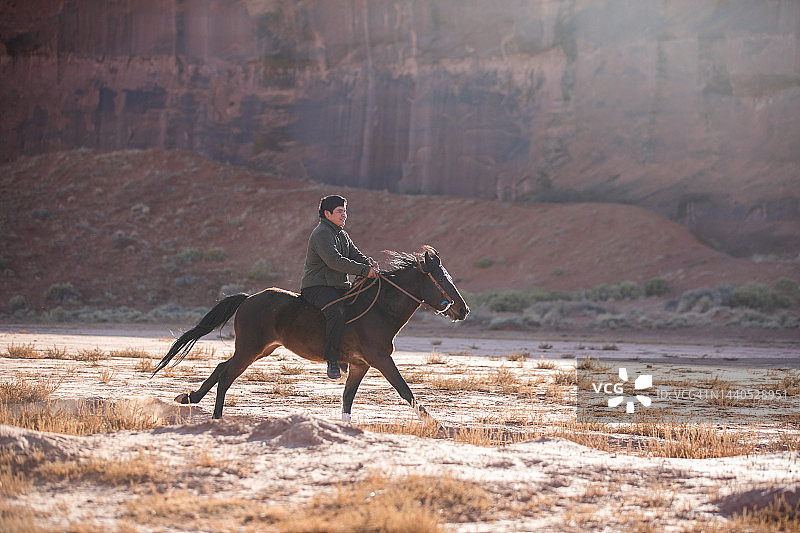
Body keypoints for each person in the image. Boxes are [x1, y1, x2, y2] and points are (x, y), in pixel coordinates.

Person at [300, 195, 377, 379]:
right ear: (327, 214)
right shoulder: (322, 233)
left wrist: (369, 264)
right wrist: (364, 270)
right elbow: (334, 261)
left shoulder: (342, 234)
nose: (344, 215)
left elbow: (355, 254)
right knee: (337, 311)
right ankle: (333, 360)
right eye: (339, 211)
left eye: (345, 211)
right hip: (317, 286)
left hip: (338, 286)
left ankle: (349, 352)